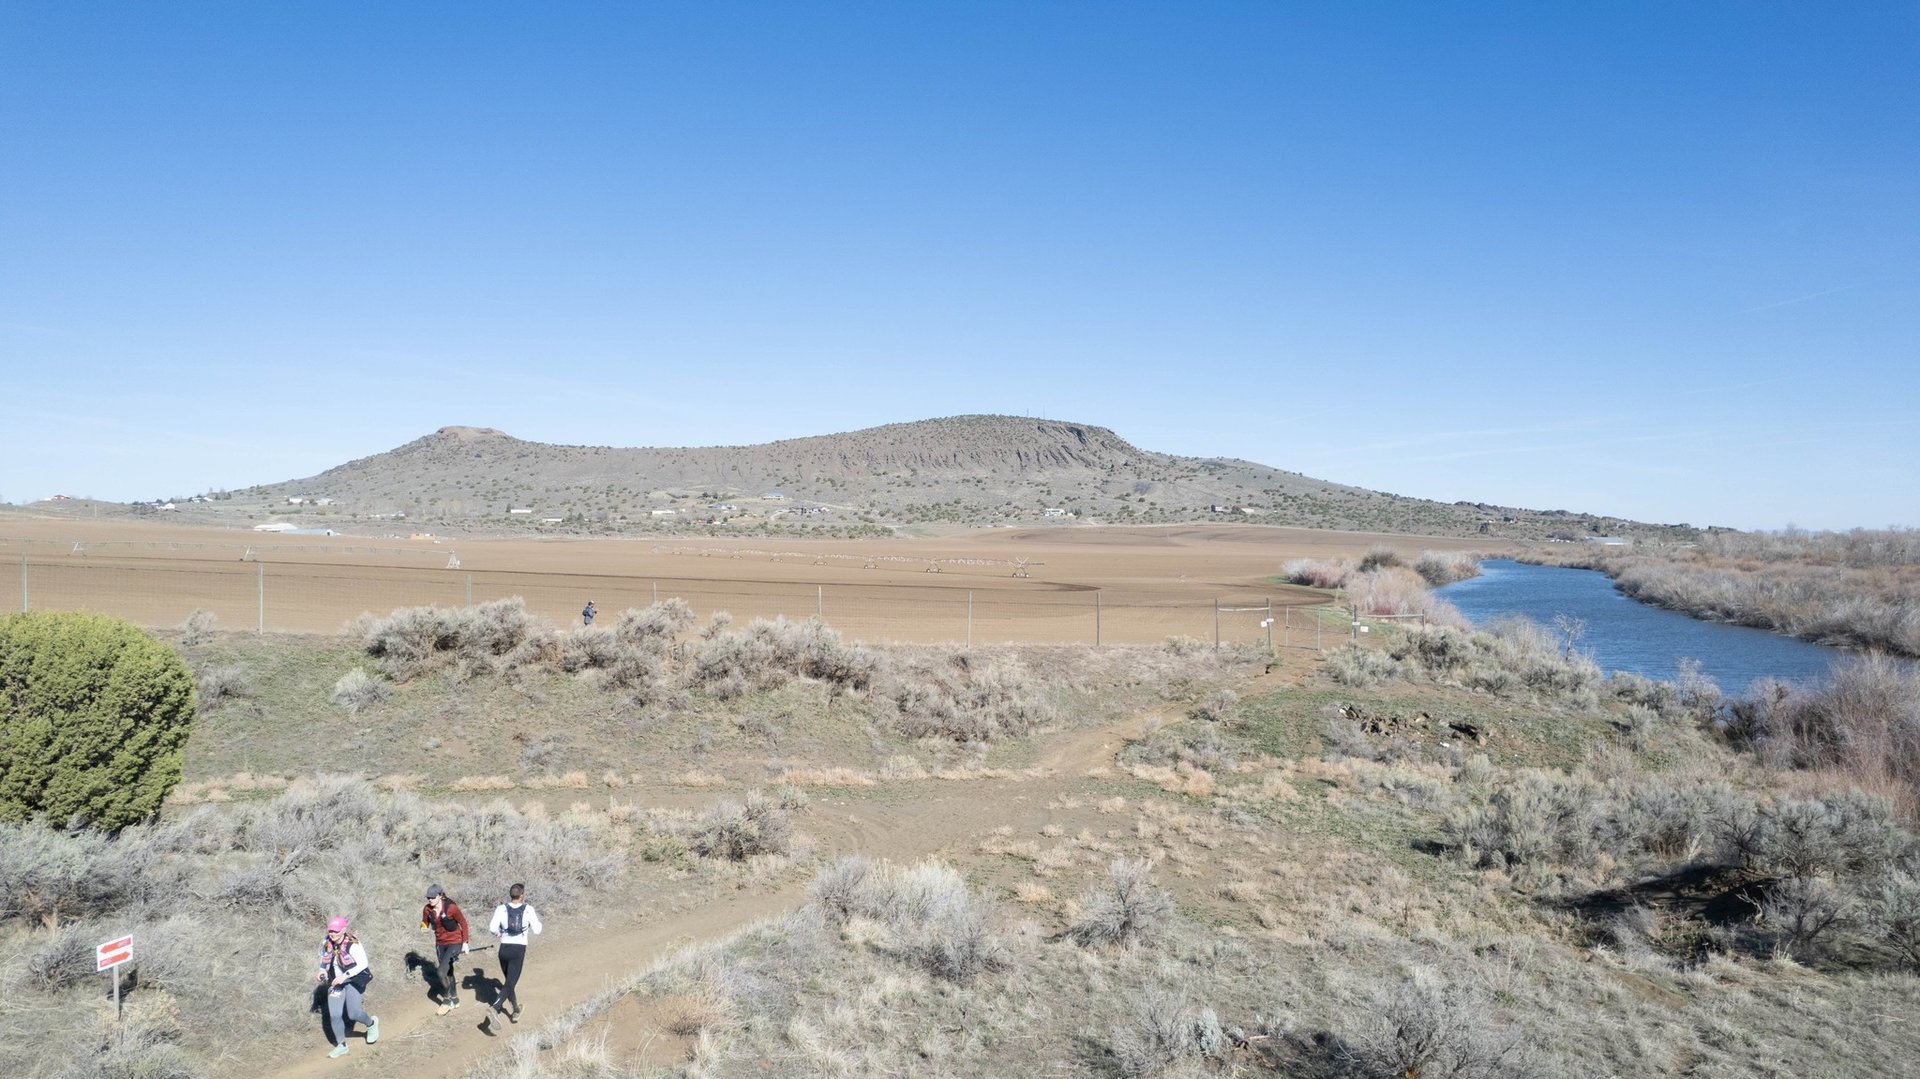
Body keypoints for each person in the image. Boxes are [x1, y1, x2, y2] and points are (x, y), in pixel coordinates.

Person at [482, 882, 544, 1031]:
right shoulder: (528, 909)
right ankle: (495, 1008)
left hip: (503, 949)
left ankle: (515, 1009)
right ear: (522, 895)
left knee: (509, 982)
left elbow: (492, 928)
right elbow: (537, 930)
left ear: (511, 895)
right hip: (518, 950)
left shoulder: (501, 909)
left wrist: (498, 933)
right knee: (510, 983)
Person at [317, 916, 379, 1059]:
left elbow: (363, 963)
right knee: (335, 1015)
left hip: (353, 980)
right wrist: (321, 970)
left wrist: (344, 976)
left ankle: (371, 1024)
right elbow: (324, 959)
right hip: (335, 982)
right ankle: (341, 1045)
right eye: (330, 930)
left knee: (354, 1014)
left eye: (336, 931)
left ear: (344, 930)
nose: (332, 933)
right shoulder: (327, 942)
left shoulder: (353, 944)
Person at [420, 884, 471, 1015]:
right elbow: (424, 922)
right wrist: (423, 927)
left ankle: (447, 1000)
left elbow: (463, 923)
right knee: (448, 971)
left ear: (440, 895)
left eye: (432, 897)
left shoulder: (451, 908)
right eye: (428, 897)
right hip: (440, 943)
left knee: (441, 971)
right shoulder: (427, 909)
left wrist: (465, 943)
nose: (430, 900)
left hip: (455, 942)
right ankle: (455, 998)